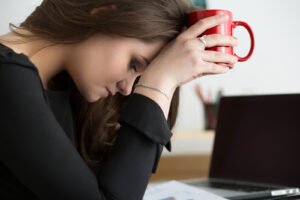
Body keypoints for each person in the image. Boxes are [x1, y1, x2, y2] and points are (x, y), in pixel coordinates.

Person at [0, 0, 239, 199]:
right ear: (104, 15)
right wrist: (158, 85)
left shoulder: (58, 86)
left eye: (138, 77)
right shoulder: (6, 76)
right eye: (134, 64)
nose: (127, 88)